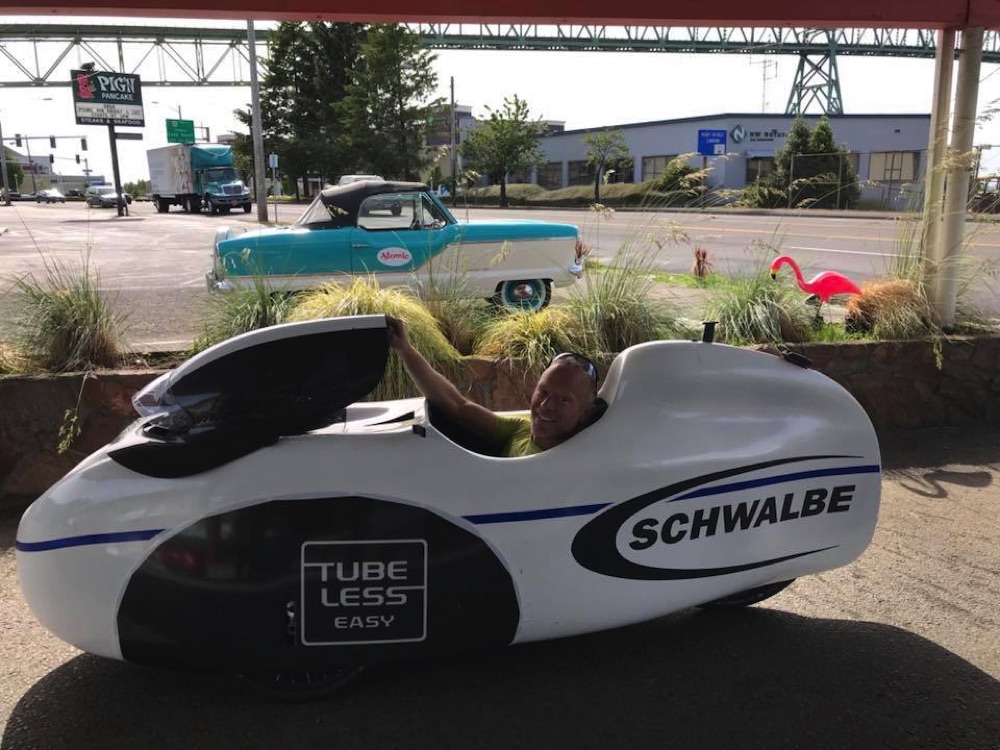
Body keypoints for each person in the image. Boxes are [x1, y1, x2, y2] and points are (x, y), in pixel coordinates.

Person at [387, 316, 600, 457]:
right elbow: (457, 406)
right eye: (543, 392)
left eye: (563, 399)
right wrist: (406, 350)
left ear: (585, 413)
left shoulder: (575, 461)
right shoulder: (522, 430)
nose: (546, 405)